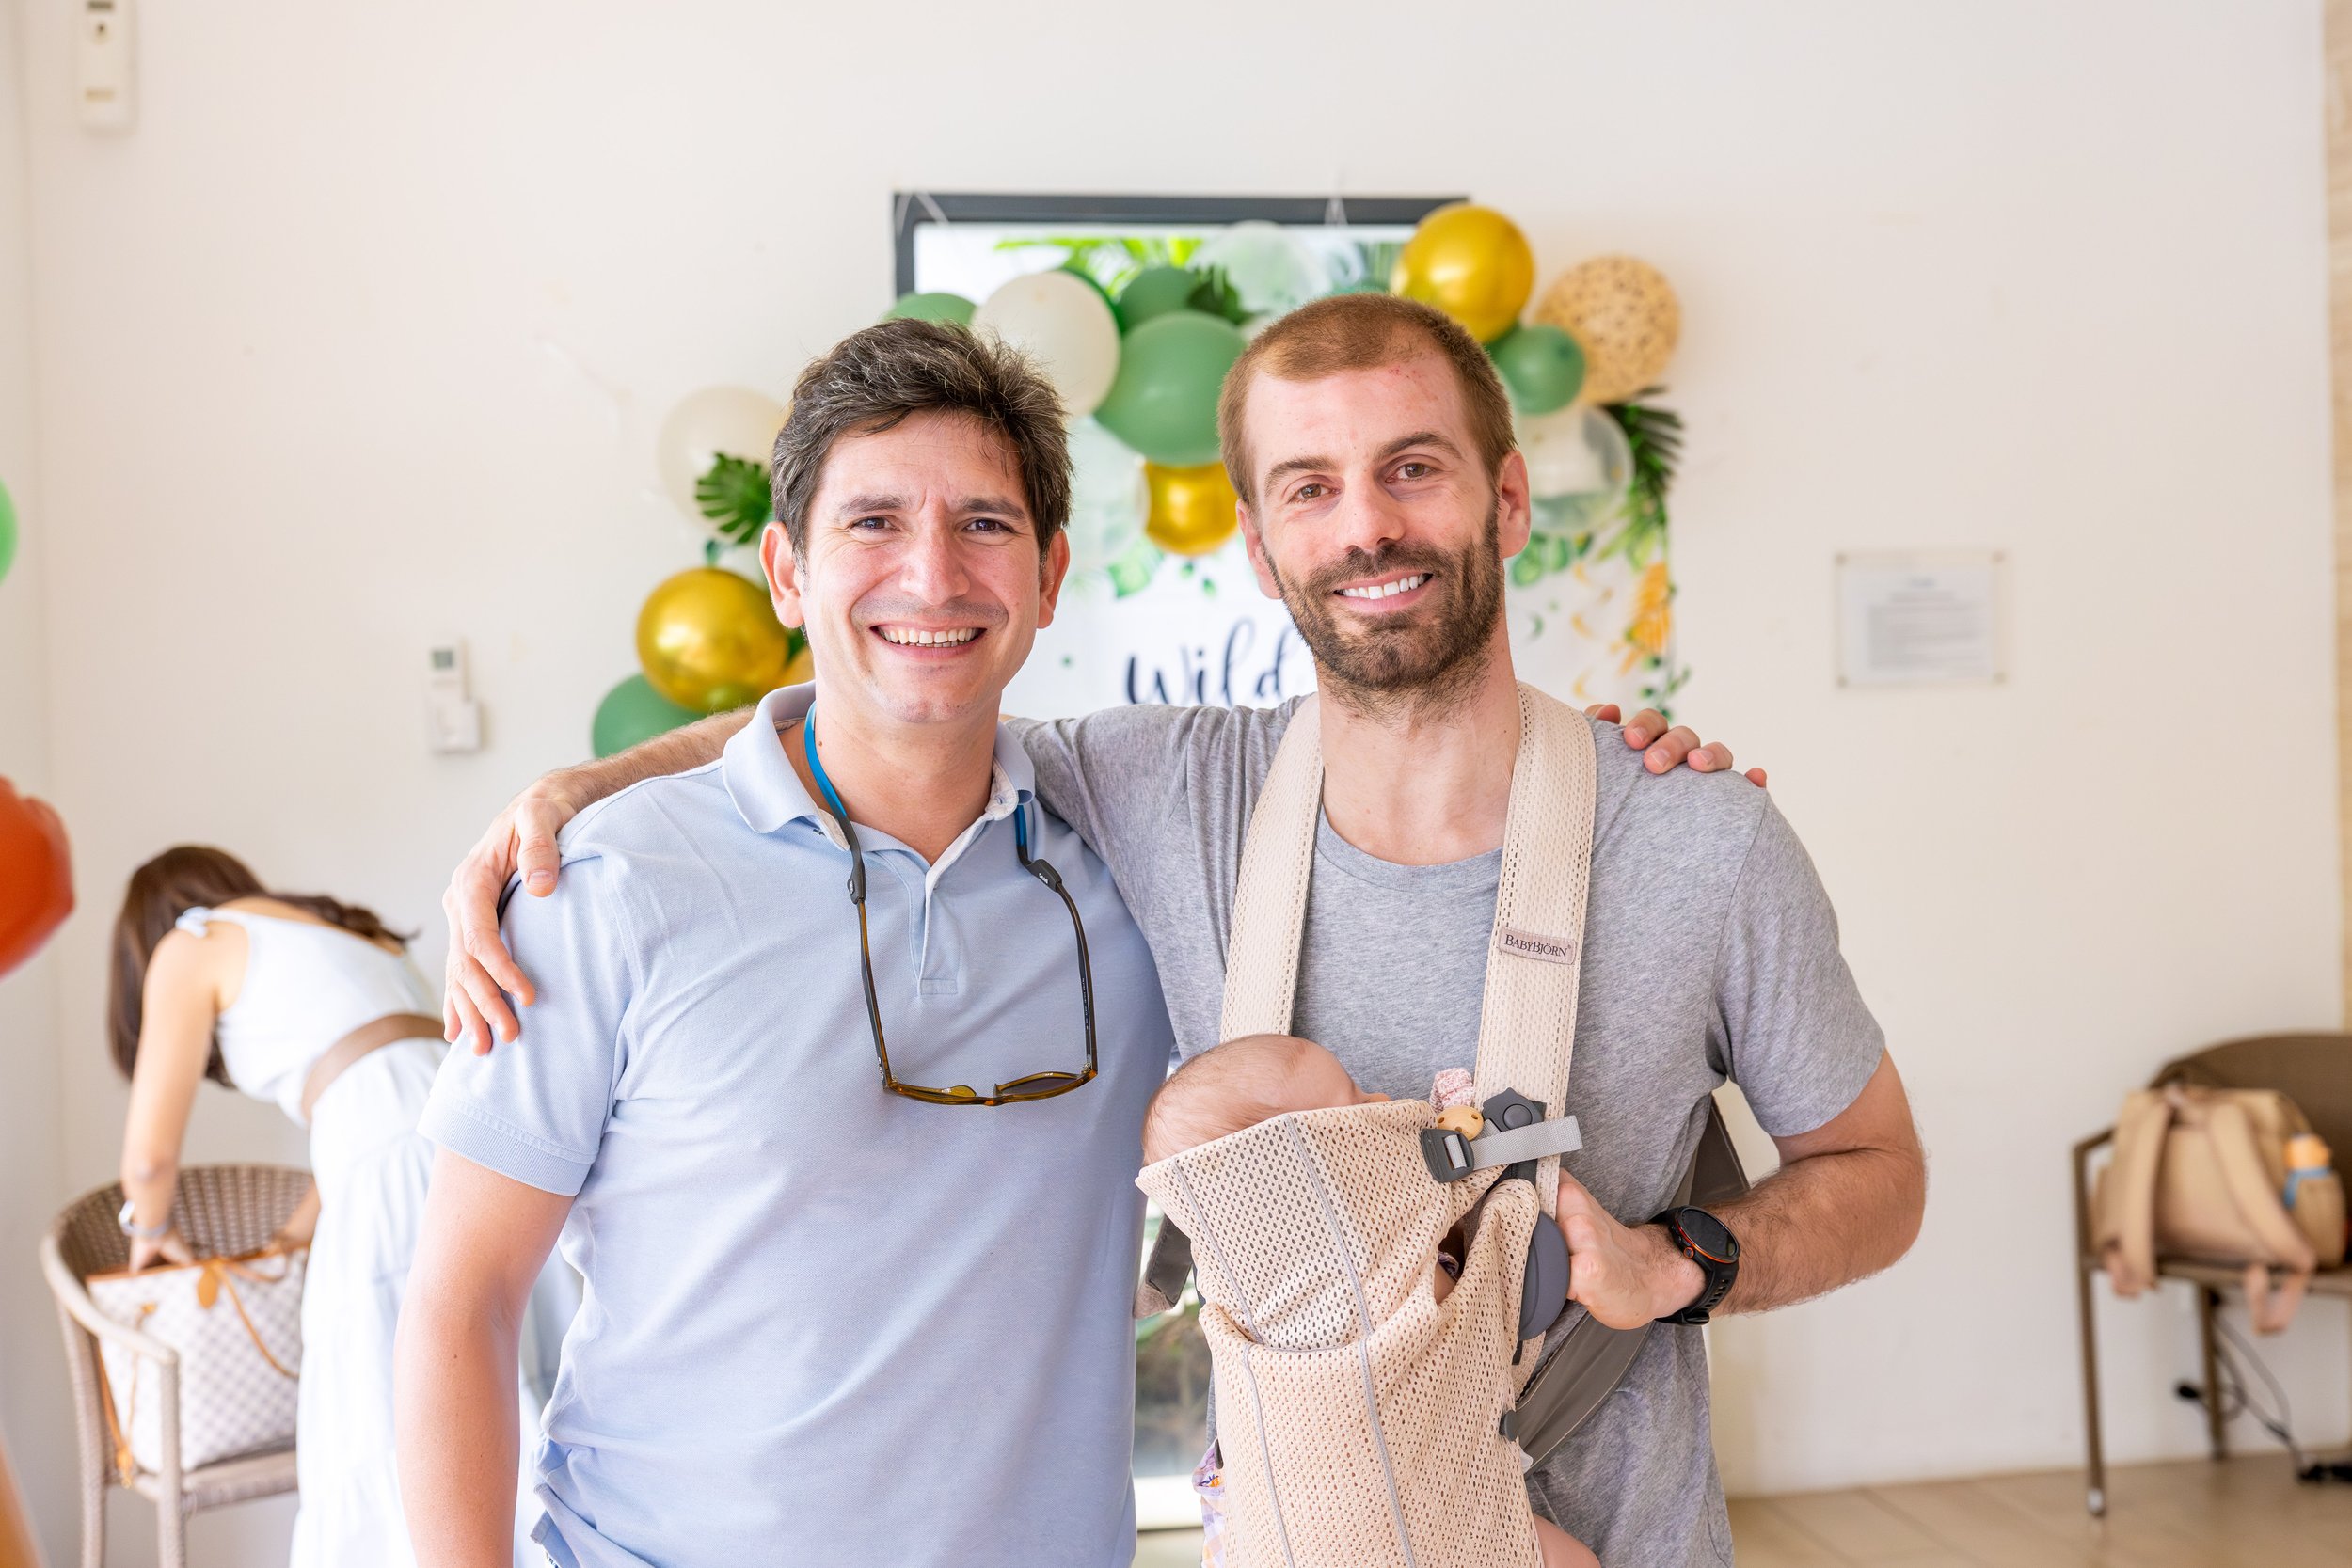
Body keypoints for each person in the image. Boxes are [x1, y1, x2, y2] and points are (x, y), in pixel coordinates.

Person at [434, 302, 1814, 1566]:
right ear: (785, 570)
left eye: (983, 523)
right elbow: (459, 1299)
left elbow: (918, 703)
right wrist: (571, 798)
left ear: (1048, 576)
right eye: (873, 523)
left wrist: (1680, 1252)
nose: (931, 574)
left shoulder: (1118, 827)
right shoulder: (609, 882)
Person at [107, 847, 550, 1568]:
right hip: (482, 1142)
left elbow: (149, 1161)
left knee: (389, 1413)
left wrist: (148, 1230)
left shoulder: (189, 943)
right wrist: (292, 1237)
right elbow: (379, 1090)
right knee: (497, 1384)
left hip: (395, 1176)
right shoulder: (349, 933)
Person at [1140, 1032, 1599, 1568]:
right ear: (1302, 1163)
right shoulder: (1370, 1263)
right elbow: (1471, 1290)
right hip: (1393, 1522)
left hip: (1276, 1530)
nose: (1381, 1100)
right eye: (1356, 1101)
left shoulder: (1231, 1278)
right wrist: (1464, 1134)